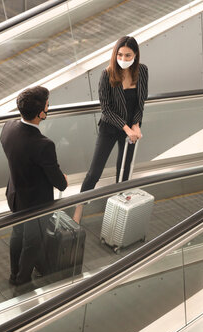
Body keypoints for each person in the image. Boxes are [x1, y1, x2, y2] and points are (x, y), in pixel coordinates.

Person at [74, 36, 148, 223]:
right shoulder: (107, 74)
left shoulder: (143, 71)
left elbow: (141, 103)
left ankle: (119, 211)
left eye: (127, 55)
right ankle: (79, 207)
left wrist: (136, 124)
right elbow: (106, 109)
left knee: (124, 171)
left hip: (131, 129)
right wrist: (126, 128)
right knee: (94, 172)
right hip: (110, 127)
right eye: (120, 54)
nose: (123, 58)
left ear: (135, 55)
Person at [0, 86, 68, 288]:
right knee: (32, 241)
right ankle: (22, 280)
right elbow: (59, 181)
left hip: (15, 194)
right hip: (35, 203)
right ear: (40, 113)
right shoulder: (43, 144)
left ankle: (13, 274)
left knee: (17, 233)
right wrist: (63, 178)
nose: (49, 107)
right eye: (47, 105)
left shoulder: (8, 128)